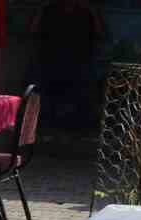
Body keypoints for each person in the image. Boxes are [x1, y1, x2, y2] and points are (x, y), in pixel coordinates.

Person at [33, 0, 106, 129]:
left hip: (79, 62)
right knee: (51, 97)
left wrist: (92, 11)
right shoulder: (49, 10)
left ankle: (76, 125)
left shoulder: (86, 11)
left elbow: (99, 34)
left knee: (79, 95)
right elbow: (34, 31)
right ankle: (51, 125)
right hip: (52, 61)